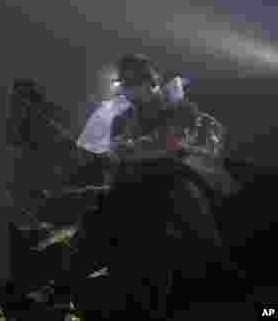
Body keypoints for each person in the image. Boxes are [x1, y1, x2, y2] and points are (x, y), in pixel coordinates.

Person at [69, 54, 243, 316]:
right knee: (95, 219)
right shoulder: (122, 120)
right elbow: (117, 157)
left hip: (174, 181)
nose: (129, 92)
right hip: (133, 188)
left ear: (152, 82)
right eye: (126, 85)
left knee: (191, 213)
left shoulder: (182, 110)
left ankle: (221, 279)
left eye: (134, 83)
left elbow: (170, 143)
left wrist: (126, 152)